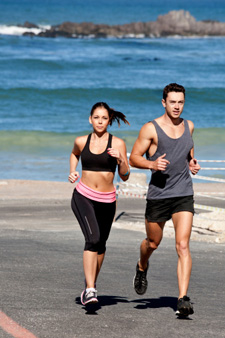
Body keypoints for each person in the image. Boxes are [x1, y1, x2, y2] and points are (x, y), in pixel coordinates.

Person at [129, 83, 201, 316]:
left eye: (181, 102)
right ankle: (142, 266)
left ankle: (182, 299)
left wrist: (192, 162)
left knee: (182, 245)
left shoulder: (189, 125)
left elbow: (189, 150)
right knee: (153, 243)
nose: (177, 106)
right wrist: (151, 163)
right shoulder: (151, 129)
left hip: (183, 193)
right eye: (173, 102)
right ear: (164, 102)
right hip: (159, 195)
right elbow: (133, 158)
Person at [69, 102, 130, 306]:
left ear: (109, 120)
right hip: (83, 195)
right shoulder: (81, 141)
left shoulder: (118, 143)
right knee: (93, 239)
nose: (100, 121)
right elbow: (74, 154)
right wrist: (73, 171)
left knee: (101, 245)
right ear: (90, 119)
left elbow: (126, 175)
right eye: (96, 117)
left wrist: (121, 160)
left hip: (107, 200)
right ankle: (91, 289)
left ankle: (89, 287)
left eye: (104, 118)